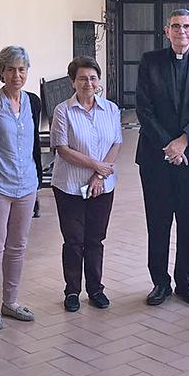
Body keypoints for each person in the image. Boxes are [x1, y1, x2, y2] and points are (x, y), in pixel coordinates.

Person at [136, 8, 189, 307]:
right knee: (157, 221)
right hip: (155, 156)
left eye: (186, 26)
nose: (181, 31)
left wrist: (183, 141)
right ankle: (160, 282)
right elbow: (143, 108)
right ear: (166, 31)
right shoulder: (150, 62)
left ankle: (186, 279)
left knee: (188, 220)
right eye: (175, 26)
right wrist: (168, 146)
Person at [50, 56, 123, 311]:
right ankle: (72, 291)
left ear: (98, 80)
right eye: (82, 78)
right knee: (73, 240)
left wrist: (100, 175)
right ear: (73, 82)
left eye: (92, 78)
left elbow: (116, 143)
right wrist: (96, 166)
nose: (88, 83)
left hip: (102, 186)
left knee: (95, 239)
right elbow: (62, 149)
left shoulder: (111, 109)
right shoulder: (63, 111)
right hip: (69, 185)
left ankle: (95, 289)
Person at [0, 46, 43, 329]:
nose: (17, 75)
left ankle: (11, 302)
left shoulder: (33, 102)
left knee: (18, 246)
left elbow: (35, 145)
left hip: (27, 183)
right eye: (11, 69)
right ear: (1, 72)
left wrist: (39, 182)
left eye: (22, 69)